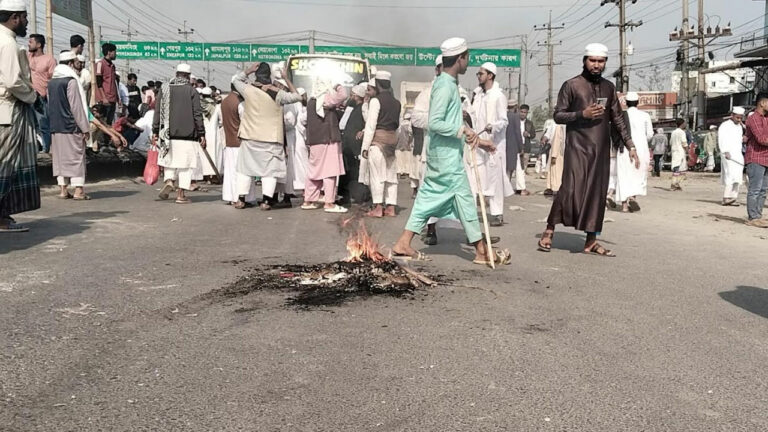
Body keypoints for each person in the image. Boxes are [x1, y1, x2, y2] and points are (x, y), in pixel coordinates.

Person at [392, 37, 510, 267]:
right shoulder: (445, 86)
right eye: (467, 57)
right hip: (445, 157)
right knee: (464, 199)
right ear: (460, 58)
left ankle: (404, 242)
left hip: (444, 153)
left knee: (429, 198)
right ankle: (481, 251)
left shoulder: (447, 84)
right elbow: (435, 123)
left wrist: (470, 135)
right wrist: (461, 131)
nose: (469, 63)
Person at [537, 43, 636, 257]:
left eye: (600, 62)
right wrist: (582, 114)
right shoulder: (571, 85)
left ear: (605, 63)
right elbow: (558, 116)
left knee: (596, 194)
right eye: (592, 61)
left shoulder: (609, 87)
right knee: (570, 189)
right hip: (577, 147)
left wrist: (630, 145)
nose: (596, 65)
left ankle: (591, 240)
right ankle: (549, 230)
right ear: (585, 61)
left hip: (600, 150)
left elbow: (617, 118)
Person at [231, 62, 303, 210]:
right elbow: (297, 96)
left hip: (250, 137)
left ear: (256, 74)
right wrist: (286, 78)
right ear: (269, 76)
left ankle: (241, 200)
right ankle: (266, 201)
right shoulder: (277, 93)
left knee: (245, 169)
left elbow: (235, 81)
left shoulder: (248, 90)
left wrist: (248, 71)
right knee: (269, 171)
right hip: (271, 139)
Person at [0, 0, 39, 233]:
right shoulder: (8, 44)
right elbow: (13, 81)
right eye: (24, 18)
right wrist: (33, 96)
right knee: (6, 166)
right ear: (15, 17)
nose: (26, 23)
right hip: (9, 110)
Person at [152, 63, 206, 204]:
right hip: (187, 136)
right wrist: (201, 133)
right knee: (185, 165)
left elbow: (157, 111)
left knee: (169, 161)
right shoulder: (191, 91)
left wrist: (155, 130)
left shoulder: (164, 89)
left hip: (167, 134)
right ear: (188, 76)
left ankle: (169, 180)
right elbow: (197, 114)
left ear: (176, 74)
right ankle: (180, 195)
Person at [469, 61, 512, 227]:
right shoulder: (478, 94)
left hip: (494, 144)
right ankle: (471, 211)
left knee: (495, 179)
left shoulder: (498, 96)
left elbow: (504, 121)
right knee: (475, 176)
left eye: (481, 73)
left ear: (490, 75)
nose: (478, 76)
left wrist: (492, 126)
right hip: (477, 142)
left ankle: (497, 213)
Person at [48, 51, 90, 200]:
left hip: (55, 127)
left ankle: (63, 190)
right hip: (71, 127)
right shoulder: (71, 81)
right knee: (76, 158)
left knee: (60, 159)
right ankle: (79, 191)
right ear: (71, 63)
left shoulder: (51, 82)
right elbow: (76, 107)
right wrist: (85, 128)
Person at [303, 75, 348, 213]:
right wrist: (337, 85)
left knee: (314, 171)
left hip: (314, 141)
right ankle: (329, 203)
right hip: (328, 139)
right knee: (330, 171)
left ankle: (308, 200)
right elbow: (343, 95)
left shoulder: (311, 101)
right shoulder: (326, 99)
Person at [360, 71, 402, 217]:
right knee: (391, 176)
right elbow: (399, 126)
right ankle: (391, 207)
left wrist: (365, 147)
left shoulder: (375, 101)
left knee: (377, 175)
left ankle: (378, 207)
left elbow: (371, 126)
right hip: (391, 143)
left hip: (377, 143)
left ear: (377, 84)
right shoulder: (397, 103)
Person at [615, 91, 653, 213]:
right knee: (637, 174)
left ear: (625, 103)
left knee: (624, 175)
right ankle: (633, 197)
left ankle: (625, 206)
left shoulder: (621, 115)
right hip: (641, 148)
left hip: (624, 148)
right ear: (638, 102)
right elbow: (650, 135)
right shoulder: (645, 115)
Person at [220, 85, 256, 205]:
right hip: (241, 142)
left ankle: (231, 197)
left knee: (230, 172)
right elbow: (246, 122)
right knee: (243, 172)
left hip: (229, 141)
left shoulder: (224, 101)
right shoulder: (240, 103)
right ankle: (244, 198)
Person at [340, 83, 370, 205]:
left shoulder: (363, 108)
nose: (350, 98)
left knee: (356, 172)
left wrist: (363, 131)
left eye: (352, 95)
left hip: (356, 147)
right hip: (348, 146)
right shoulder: (352, 109)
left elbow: (368, 122)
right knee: (350, 172)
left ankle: (360, 196)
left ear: (357, 96)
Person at [27, 33, 55, 153]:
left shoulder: (49, 59)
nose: (29, 44)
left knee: (43, 124)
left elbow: (53, 79)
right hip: (29, 96)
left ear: (38, 45)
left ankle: (46, 149)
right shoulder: (28, 57)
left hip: (42, 98)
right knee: (30, 125)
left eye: (31, 42)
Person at [744, 94, 768, 227]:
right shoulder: (753, 118)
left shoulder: (766, 118)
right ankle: (752, 217)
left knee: (763, 190)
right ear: (762, 103)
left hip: (766, 158)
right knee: (755, 189)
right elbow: (761, 139)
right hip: (755, 157)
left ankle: (758, 215)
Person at [718, 107, 745, 207]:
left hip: (738, 153)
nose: (739, 120)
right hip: (728, 154)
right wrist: (725, 151)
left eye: (740, 118)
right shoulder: (725, 126)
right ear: (732, 115)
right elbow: (721, 139)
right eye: (737, 117)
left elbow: (738, 140)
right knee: (730, 174)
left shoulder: (740, 126)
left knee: (738, 175)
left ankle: (733, 197)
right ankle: (726, 197)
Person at [506, 102, 533, 196]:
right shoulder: (515, 118)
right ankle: (520, 189)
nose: (522, 114)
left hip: (518, 147)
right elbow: (517, 134)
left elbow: (532, 134)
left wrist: (528, 135)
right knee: (518, 168)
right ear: (516, 108)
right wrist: (520, 147)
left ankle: (509, 188)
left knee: (513, 168)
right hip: (516, 147)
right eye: (521, 111)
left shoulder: (529, 123)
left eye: (524, 112)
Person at [95, 43, 118, 124]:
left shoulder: (112, 66)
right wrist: (103, 97)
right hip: (105, 100)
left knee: (109, 123)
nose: (116, 54)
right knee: (103, 122)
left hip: (112, 99)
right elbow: (99, 82)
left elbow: (114, 83)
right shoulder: (100, 64)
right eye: (114, 52)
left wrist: (118, 99)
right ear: (109, 52)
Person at [545, 123, 566, 195]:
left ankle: (557, 189)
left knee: (557, 172)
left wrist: (554, 155)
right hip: (561, 153)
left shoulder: (560, 126)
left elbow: (557, 141)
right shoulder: (558, 126)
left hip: (559, 153)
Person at [670, 118, 688, 191]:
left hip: (674, 151)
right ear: (682, 124)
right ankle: (674, 183)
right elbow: (684, 143)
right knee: (680, 168)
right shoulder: (682, 132)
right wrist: (687, 150)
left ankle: (676, 184)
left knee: (676, 167)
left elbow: (670, 142)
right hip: (680, 151)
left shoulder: (673, 132)